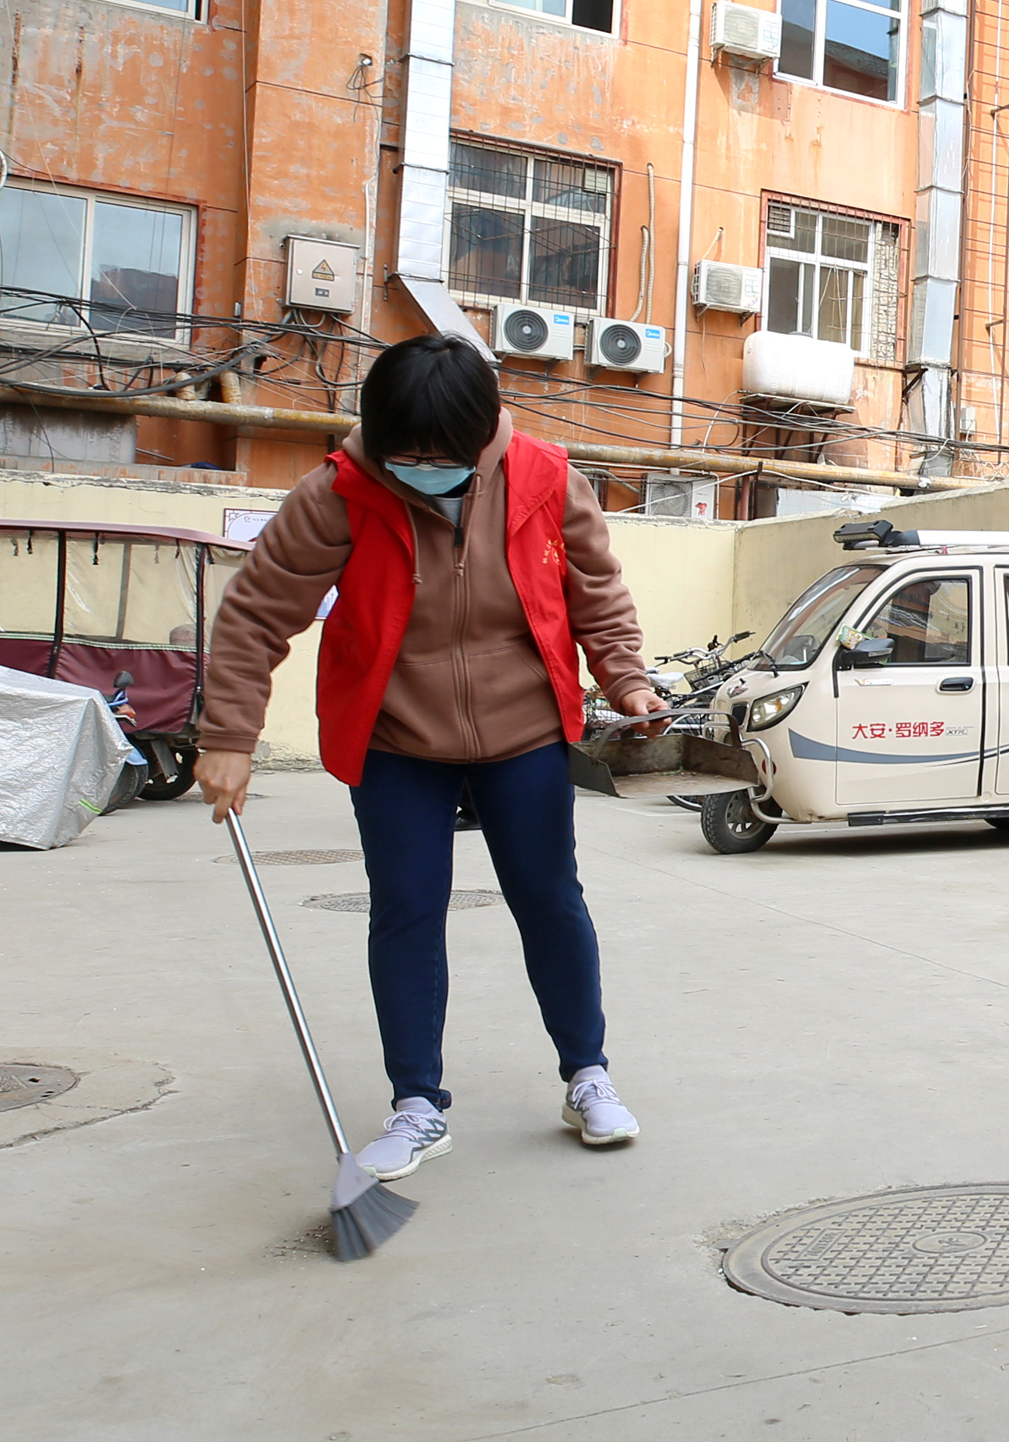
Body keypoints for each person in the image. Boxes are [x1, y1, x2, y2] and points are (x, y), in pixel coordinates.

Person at [197, 334, 662, 1179]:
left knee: (549, 899)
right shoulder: (340, 491)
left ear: (480, 435)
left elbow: (596, 593)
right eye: (401, 456)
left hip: (523, 730)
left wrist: (626, 681)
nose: (418, 471)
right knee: (406, 908)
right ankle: (417, 1102)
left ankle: (587, 1074)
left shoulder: (546, 479)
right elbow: (256, 612)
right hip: (397, 735)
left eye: (438, 458)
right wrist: (229, 737)